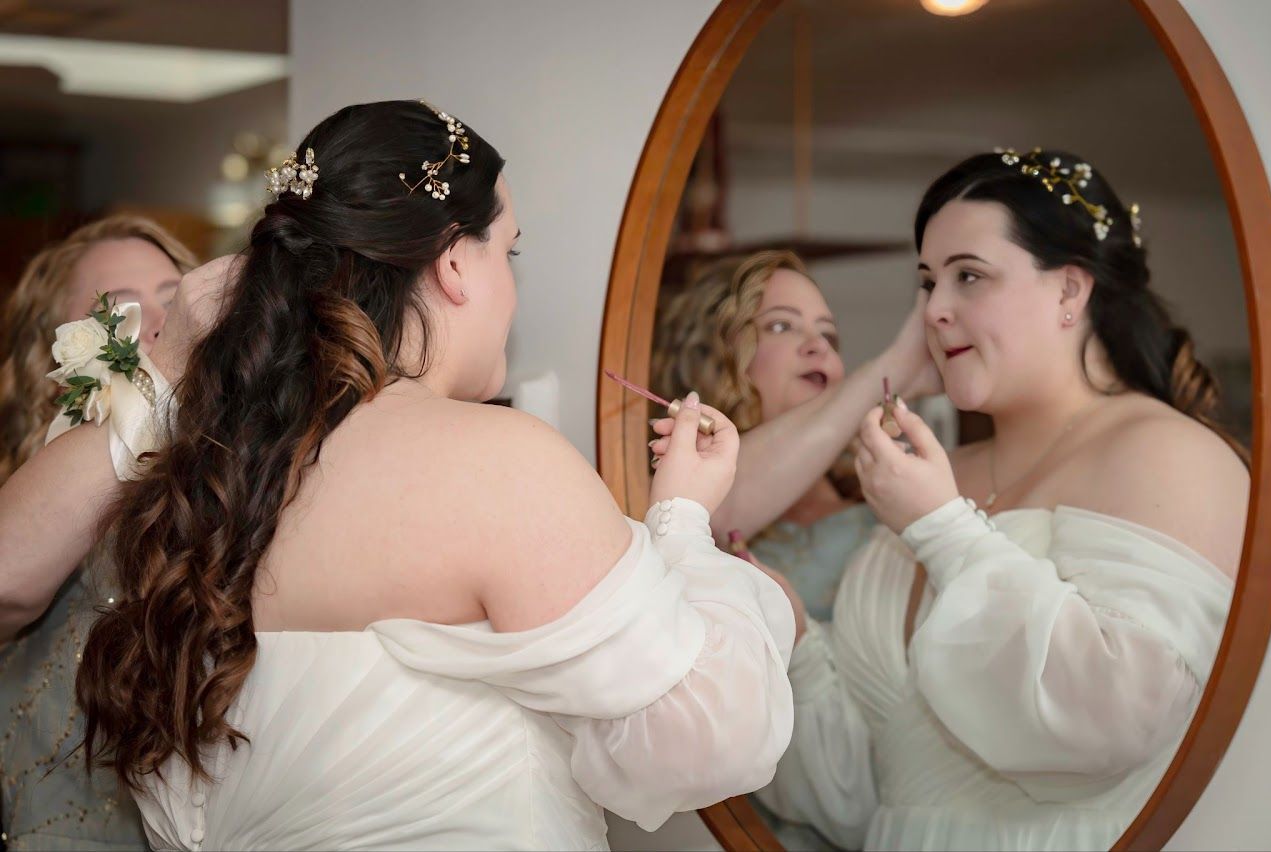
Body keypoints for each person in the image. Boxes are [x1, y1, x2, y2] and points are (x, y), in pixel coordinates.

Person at [0, 100, 795, 850]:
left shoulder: (207, 483)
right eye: (507, 250)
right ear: (454, 261)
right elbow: (702, 737)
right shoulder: (496, 462)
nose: (512, 286)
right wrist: (683, 522)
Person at [658, 149, 1248, 850]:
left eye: (969, 276)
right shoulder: (927, 473)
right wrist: (800, 643)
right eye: (928, 283)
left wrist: (943, 531)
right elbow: (866, 794)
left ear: (1069, 291)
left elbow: (1118, 718)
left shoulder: (1166, 454)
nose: (934, 310)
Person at [0, 216, 196, 851]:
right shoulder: (17, 505)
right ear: (51, 346)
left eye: (175, 298)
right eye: (124, 311)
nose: (162, 326)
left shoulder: (228, 487)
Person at [652, 249, 935, 623]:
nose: (818, 345)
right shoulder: (674, 492)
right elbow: (711, 516)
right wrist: (898, 363)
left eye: (829, 335)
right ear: (719, 356)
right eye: (782, 326)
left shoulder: (886, 500)